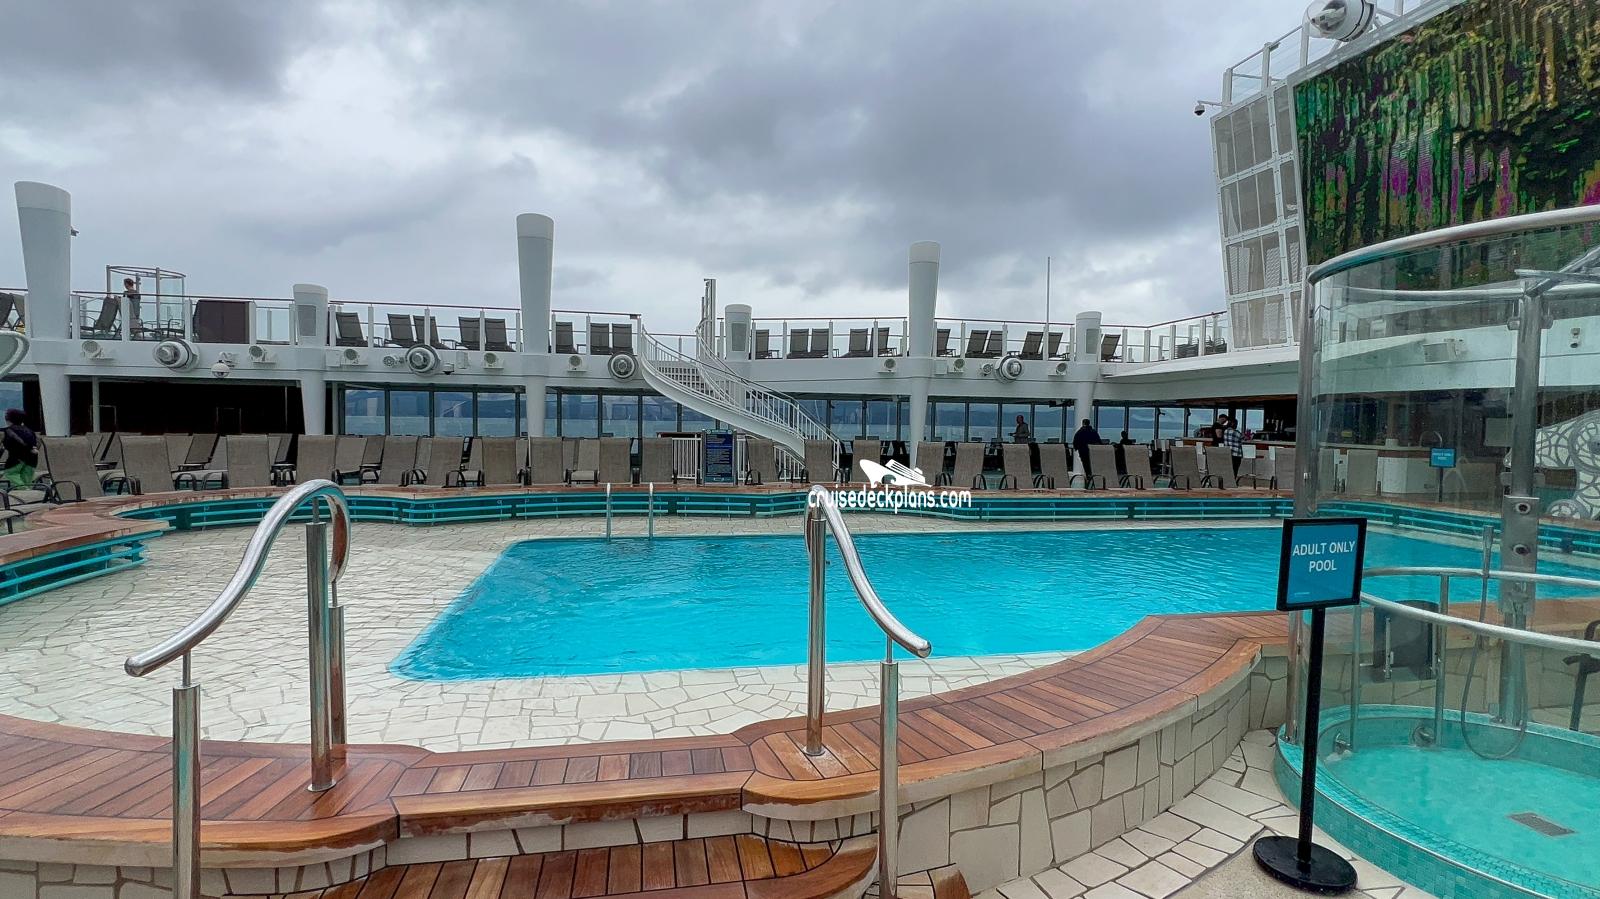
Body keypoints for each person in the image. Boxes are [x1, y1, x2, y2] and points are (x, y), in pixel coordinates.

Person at [1, 409, 39, 489]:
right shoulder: (29, 430)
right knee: (27, 480)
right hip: (33, 459)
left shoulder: (8, 431)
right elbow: (37, 441)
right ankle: (29, 494)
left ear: (8, 420)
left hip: (17, 458)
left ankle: (25, 491)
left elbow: (14, 442)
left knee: (10, 473)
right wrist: (33, 448)